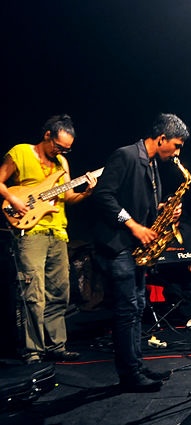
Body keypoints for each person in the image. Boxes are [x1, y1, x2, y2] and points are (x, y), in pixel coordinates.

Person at [92, 113, 190, 392]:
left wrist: (164, 209)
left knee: (136, 308)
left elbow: (143, 204)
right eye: (176, 145)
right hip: (118, 245)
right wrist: (133, 225)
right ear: (162, 138)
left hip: (136, 249)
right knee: (126, 310)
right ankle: (129, 374)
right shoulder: (125, 155)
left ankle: (135, 364)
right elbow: (103, 196)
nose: (177, 152)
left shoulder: (152, 164)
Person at [0, 114, 97, 364]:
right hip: (31, 231)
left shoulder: (62, 163)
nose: (61, 151)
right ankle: (33, 350)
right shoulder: (21, 152)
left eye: (67, 149)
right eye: (59, 146)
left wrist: (86, 193)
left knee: (60, 292)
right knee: (33, 293)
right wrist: (13, 200)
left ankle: (57, 346)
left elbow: (68, 197)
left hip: (58, 232)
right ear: (47, 135)